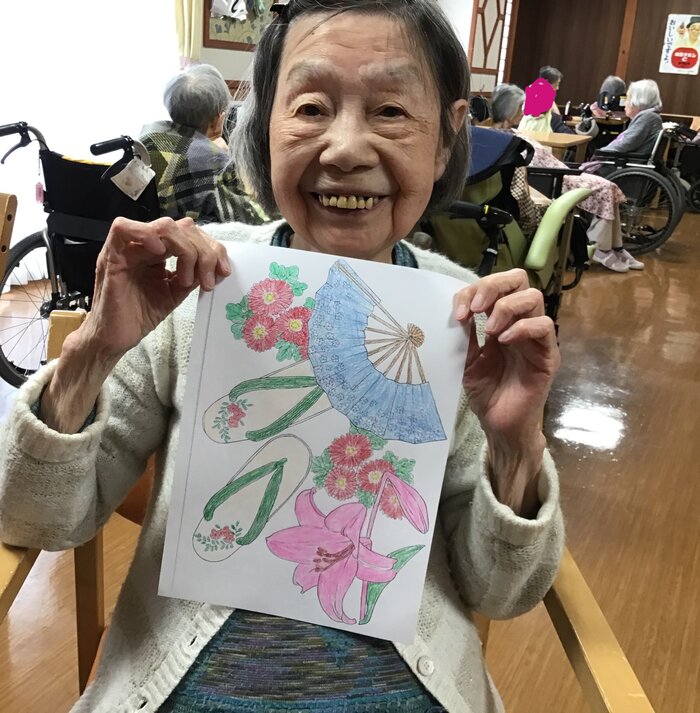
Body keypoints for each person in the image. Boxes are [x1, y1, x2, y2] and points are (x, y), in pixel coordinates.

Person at [0, 2, 565, 711]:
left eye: (391, 110)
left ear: (447, 138)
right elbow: (34, 518)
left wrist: (516, 443)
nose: (346, 148)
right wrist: (92, 349)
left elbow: (503, 592)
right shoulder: (191, 287)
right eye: (310, 107)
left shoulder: (464, 320)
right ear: (264, 129)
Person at [492, 83, 643, 272]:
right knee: (605, 188)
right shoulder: (509, 137)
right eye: (520, 107)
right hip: (552, 178)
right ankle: (602, 248)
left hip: (558, 171)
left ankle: (616, 246)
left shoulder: (529, 126)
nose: (523, 111)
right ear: (510, 111)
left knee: (608, 187)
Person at [140, 64, 266, 225]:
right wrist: (227, 159)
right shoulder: (213, 160)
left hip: (147, 231)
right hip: (188, 236)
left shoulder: (147, 138)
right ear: (219, 120)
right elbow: (251, 220)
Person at [598, 79, 663, 157]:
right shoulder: (650, 116)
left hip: (625, 161)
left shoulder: (647, 118)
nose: (625, 103)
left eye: (628, 99)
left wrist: (599, 153)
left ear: (638, 100)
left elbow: (625, 144)